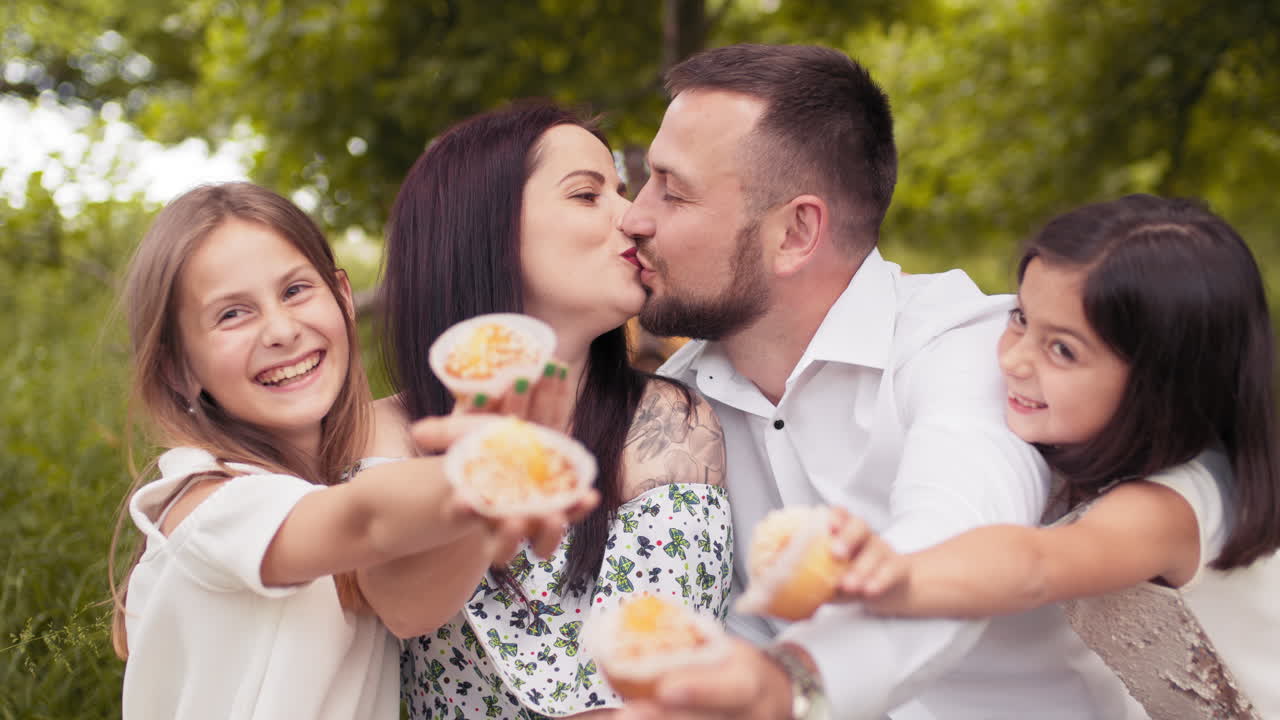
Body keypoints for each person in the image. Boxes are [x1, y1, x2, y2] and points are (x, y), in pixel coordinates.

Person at [616, 44, 1144, 719]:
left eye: (671, 188)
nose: (634, 216)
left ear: (796, 233)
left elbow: (952, 544)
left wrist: (792, 685)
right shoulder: (677, 401)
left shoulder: (966, 351)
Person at [109, 182, 575, 719]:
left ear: (344, 297)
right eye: (232, 314)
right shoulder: (206, 503)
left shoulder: (341, 468)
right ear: (177, 369)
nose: (281, 330)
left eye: (295, 291)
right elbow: (364, 520)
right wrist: (475, 470)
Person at [829, 195, 1280, 718]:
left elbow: (1036, 565)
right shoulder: (1088, 445)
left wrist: (894, 573)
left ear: (1162, 382)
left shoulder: (1170, 506)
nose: (1014, 360)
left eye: (1062, 349)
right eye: (1020, 317)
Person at [356, 101, 733, 719]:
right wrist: (497, 467)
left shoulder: (668, 424)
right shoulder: (385, 434)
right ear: (484, 229)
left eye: (621, 189)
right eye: (588, 195)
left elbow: (655, 689)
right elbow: (402, 606)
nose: (635, 216)